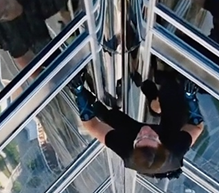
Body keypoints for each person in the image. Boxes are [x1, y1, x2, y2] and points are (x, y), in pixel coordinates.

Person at [72, 73, 204, 178]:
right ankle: (154, 102)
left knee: (112, 117)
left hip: (135, 137)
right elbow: (197, 126)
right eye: (152, 137)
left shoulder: (127, 152)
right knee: (172, 92)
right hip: (167, 134)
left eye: (140, 138)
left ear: (134, 145)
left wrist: (79, 94)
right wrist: (190, 98)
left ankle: (90, 97)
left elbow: (92, 126)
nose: (146, 130)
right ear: (161, 143)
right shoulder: (175, 150)